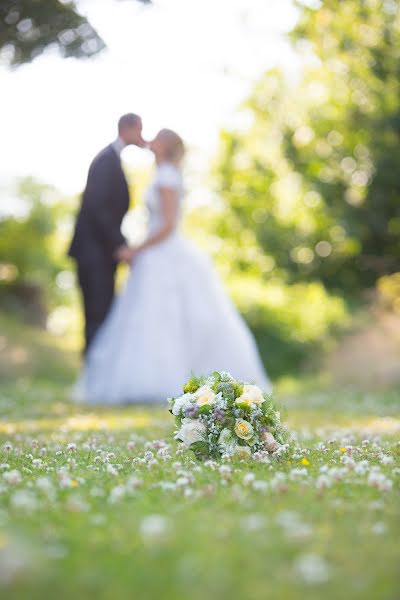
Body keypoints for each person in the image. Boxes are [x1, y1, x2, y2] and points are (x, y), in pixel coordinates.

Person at [75, 128, 271, 403]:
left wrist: (136, 248)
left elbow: (167, 225)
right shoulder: (164, 174)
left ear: (165, 146)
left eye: (155, 140)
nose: (149, 143)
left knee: (168, 317)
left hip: (163, 252)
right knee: (149, 318)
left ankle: (183, 382)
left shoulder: (167, 176)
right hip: (155, 255)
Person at [68, 113, 145, 353]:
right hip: (94, 254)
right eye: (140, 130)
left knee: (101, 314)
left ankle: (94, 377)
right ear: (129, 129)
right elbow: (98, 209)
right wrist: (119, 245)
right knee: (97, 314)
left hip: (99, 252)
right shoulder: (106, 160)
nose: (142, 136)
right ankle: (92, 379)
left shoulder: (112, 158)